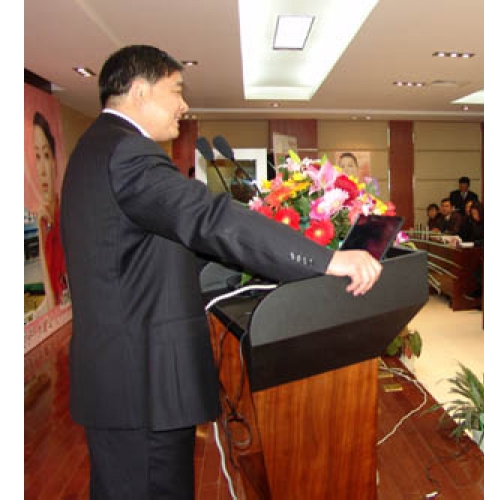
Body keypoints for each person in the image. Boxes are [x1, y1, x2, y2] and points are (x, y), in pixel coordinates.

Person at [59, 45, 383, 499]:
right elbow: (207, 218)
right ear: (139, 90)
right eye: (177, 91)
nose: (184, 105)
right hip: (141, 385)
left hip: (125, 378)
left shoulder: (95, 147)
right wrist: (325, 259)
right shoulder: (127, 151)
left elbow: (142, 251)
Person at [32, 112, 69, 311]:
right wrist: (40, 234)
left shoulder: (65, 215)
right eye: (37, 157)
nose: (42, 170)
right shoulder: (44, 221)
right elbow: (51, 298)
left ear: (55, 161)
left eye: (46, 155)